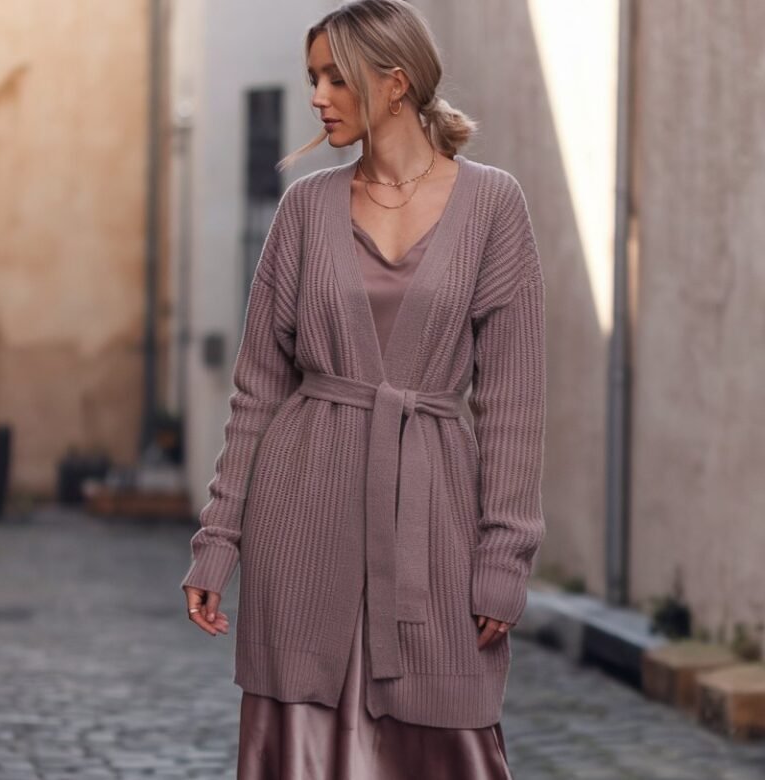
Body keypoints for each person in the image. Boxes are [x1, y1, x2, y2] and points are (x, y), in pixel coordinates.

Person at [181, 1, 547, 777]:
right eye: (312, 77)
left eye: (335, 78)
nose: (317, 97)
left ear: (395, 83)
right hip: (302, 520)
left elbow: (513, 404)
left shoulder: (493, 206)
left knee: (447, 734)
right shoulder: (304, 209)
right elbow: (257, 392)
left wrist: (505, 555)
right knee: (302, 743)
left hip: (433, 522)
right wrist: (217, 542)